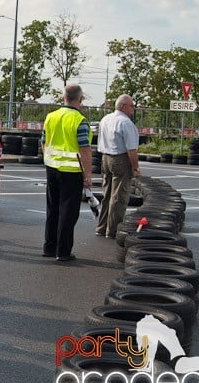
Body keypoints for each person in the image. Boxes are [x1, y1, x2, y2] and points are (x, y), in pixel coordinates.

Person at [41, 84, 93, 262]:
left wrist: (48, 159)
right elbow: (84, 148)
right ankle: (63, 251)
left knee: (52, 208)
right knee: (68, 212)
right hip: (72, 171)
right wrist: (88, 175)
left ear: (63, 97)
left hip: (52, 168)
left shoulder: (51, 117)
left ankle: (49, 247)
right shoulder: (79, 120)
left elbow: (43, 141)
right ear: (80, 99)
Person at [95, 94, 141, 239]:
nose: (133, 109)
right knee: (119, 196)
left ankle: (101, 227)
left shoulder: (105, 119)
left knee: (107, 195)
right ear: (123, 106)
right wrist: (135, 167)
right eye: (131, 106)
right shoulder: (125, 123)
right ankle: (113, 230)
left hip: (105, 157)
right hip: (120, 159)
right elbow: (131, 149)